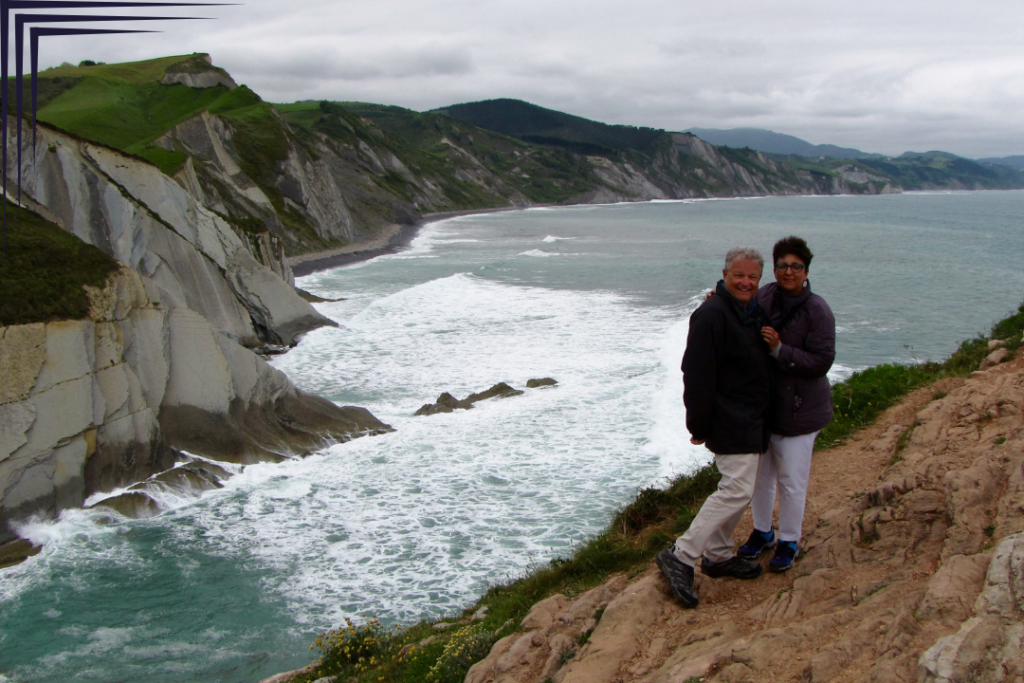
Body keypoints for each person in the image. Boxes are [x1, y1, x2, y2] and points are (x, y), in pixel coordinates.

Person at [656, 247, 773, 608]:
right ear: (724, 275)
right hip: (728, 416)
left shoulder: (750, 311)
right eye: (739, 275)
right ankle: (682, 553)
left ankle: (719, 555)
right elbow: (696, 373)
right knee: (736, 489)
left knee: (742, 487)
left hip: (751, 415)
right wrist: (698, 422)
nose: (746, 281)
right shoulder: (711, 314)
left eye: (753, 276)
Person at [737, 236, 835, 572]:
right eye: (782, 265)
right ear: (774, 268)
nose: (788, 271)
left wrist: (780, 350)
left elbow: (822, 361)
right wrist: (719, 303)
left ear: (806, 271)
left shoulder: (818, 310)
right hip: (767, 407)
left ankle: (789, 539)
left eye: (796, 266)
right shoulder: (765, 295)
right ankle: (763, 531)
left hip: (800, 410)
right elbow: (744, 315)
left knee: (792, 480)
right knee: (762, 477)